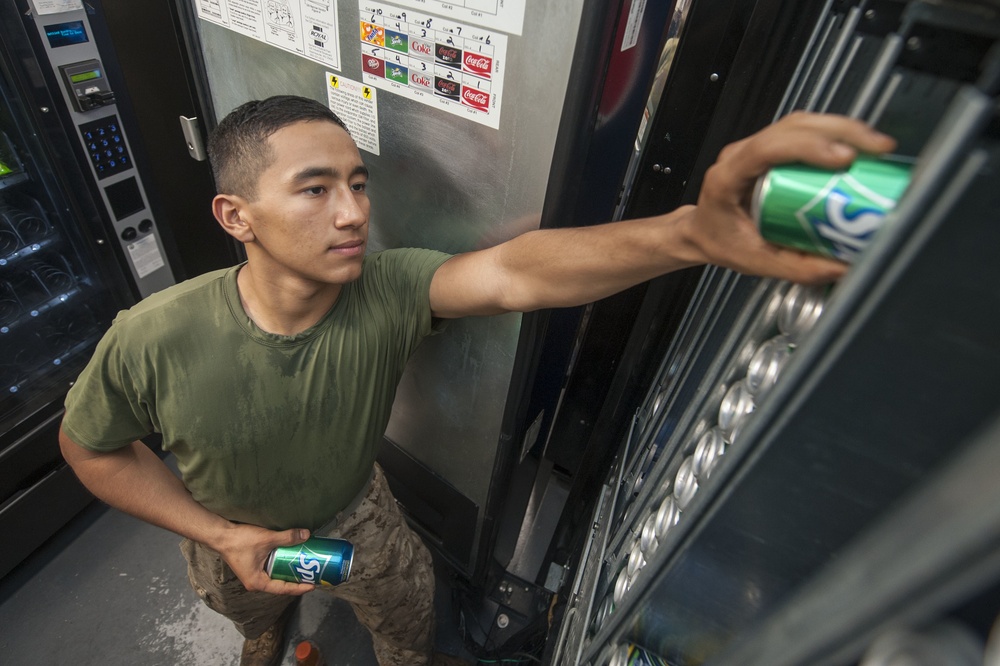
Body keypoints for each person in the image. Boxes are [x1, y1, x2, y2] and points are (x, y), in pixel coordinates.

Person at [58, 95, 895, 666]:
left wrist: (690, 233)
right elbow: (90, 449)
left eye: (356, 184)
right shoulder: (152, 336)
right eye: (314, 190)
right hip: (226, 532)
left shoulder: (383, 291)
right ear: (236, 216)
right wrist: (219, 537)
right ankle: (261, 635)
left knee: (408, 623)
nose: (352, 213)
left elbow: (513, 274)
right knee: (252, 610)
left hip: (357, 513)